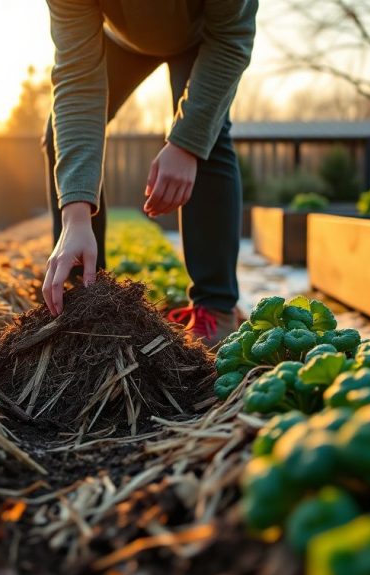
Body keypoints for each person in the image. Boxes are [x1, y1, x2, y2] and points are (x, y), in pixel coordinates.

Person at [41, 0, 258, 346]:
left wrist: (186, 145)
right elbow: (77, 83)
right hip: (121, 41)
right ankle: (85, 301)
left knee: (209, 138)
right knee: (61, 133)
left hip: (204, 36)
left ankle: (215, 309)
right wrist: (75, 215)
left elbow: (232, 39)